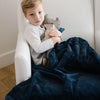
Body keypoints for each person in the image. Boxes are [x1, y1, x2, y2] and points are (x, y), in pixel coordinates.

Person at [21, 0, 62, 66]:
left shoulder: (40, 24)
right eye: (32, 14)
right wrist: (54, 40)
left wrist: (58, 34)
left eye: (39, 12)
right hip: (43, 59)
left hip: (50, 50)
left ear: (44, 11)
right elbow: (38, 48)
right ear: (26, 17)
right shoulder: (30, 29)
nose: (37, 17)